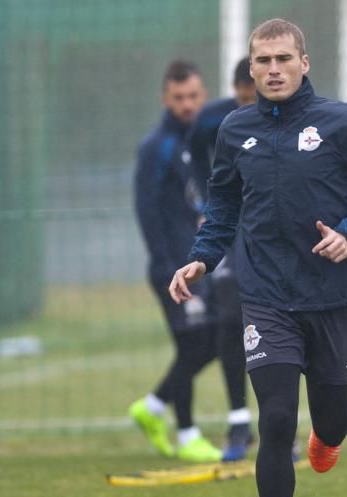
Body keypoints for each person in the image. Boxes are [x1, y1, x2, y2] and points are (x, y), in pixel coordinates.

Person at [168, 19, 347, 497]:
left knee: (332, 419)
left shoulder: (343, 124)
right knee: (275, 419)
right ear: (250, 70)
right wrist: (202, 258)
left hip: (332, 298)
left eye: (283, 59)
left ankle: (329, 436)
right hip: (267, 298)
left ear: (304, 63)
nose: (273, 69)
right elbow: (223, 206)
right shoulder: (235, 130)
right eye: (263, 61)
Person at [129, 59, 241, 463]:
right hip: (171, 266)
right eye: (179, 98)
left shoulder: (205, 141)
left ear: (204, 95)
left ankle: (156, 409)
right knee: (198, 342)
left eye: (194, 96)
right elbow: (147, 211)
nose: (187, 104)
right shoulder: (156, 148)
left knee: (204, 342)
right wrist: (165, 264)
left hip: (197, 262)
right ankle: (185, 430)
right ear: (165, 99)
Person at [186, 57, 258, 461]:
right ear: (235, 91)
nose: (249, 107)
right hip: (231, 229)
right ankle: (238, 420)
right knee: (231, 319)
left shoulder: (285, 119)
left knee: (282, 322)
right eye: (243, 98)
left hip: (271, 230)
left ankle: (282, 425)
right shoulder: (216, 121)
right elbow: (197, 153)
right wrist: (206, 198)